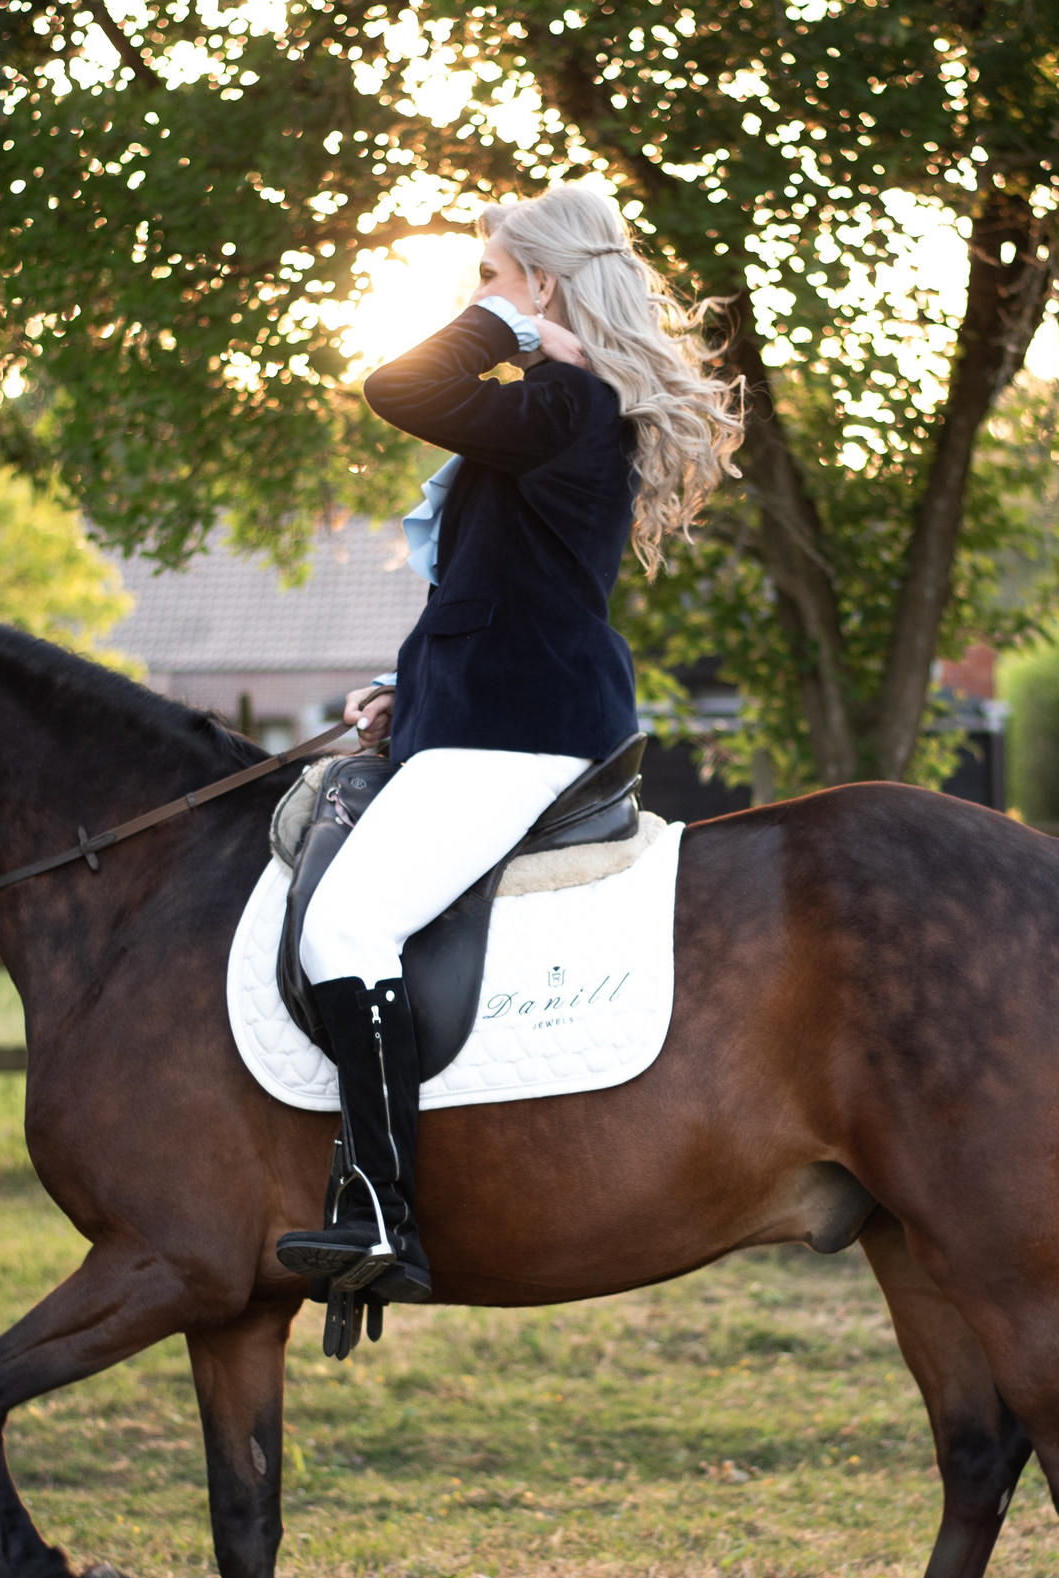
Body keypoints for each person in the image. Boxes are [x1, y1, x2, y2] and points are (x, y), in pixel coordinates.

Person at [275, 181, 743, 1302]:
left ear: (540, 281)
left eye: (489, 274)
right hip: (486, 712)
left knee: (345, 927)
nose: (474, 298)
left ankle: (382, 1213)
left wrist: (512, 324)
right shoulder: (556, 412)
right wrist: (408, 687)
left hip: (517, 731)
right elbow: (505, 588)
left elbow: (397, 384)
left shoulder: (565, 405)